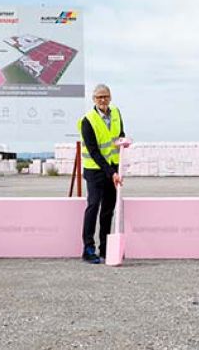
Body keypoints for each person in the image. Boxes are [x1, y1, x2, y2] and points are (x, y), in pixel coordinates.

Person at [79, 83, 125, 264]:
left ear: (110, 97)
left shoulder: (116, 113)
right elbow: (93, 151)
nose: (103, 100)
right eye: (99, 97)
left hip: (112, 170)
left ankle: (105, 248)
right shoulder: (87, 120)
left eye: (105, 96)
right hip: (95, 171)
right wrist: (110, 172)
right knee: (93, 207)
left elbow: (119, 135)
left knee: (108, 211)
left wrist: (124, 141)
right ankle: (88, 248)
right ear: (93, 99)